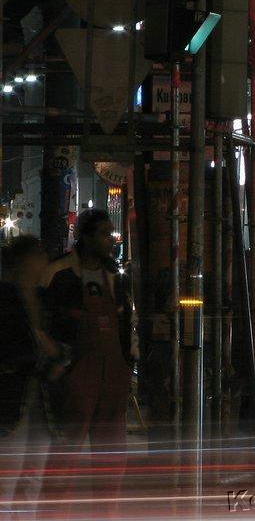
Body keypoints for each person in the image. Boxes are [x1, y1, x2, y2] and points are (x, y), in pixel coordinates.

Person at [39, 209, 133, 515]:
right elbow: (42, 323)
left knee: (111, 457)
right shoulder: (60, 273)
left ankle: (105, 514)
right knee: (65, 455)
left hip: (112, 376)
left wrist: (127, 364)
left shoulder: (115, 276)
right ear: (86, 237)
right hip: (76, 374)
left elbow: (126, 325)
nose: (111, 239)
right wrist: (59, 364)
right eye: (104, 233)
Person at [0, 236, 51, 515]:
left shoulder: (41, 297)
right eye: (37, 255)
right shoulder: (7, 299)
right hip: (12, 395)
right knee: (9, 473)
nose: (43, 261)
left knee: (33, 470)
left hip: (36, 395)